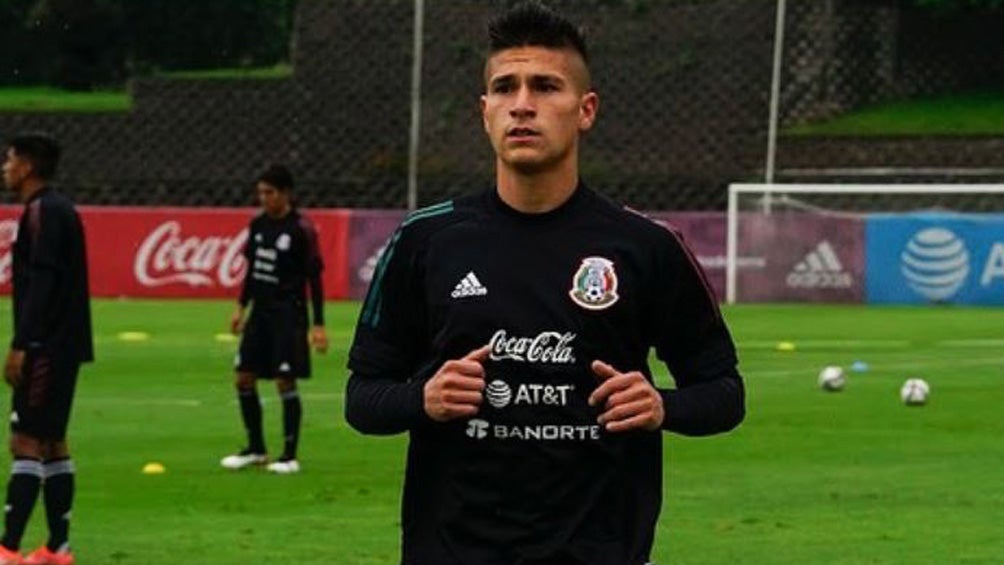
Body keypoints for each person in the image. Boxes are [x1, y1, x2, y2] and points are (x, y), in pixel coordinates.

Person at [344, 2, 746, 564]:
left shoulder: (646, 246)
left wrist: (663, 407)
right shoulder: (427, 240)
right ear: (484, 111)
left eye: (545, 87)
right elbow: (362, 398)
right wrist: (423, 397)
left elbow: (724, 393)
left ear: (585, 110)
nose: (523, 105)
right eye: (505, 88)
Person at [0, 133, 93, 565]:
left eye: (10, 159)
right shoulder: (62, 209)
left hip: (45, 344)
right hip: (67, 344)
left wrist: (22, 343)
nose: (5, 166)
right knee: (54, 441)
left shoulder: (41, 212)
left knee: (26, 440)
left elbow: (43, 282)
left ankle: (8, 547)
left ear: (29, 166)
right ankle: (58, 547)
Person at [220, 164, 328, 475]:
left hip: (288, 316)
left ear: (285, 194)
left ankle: (289, 455)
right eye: (261, 193)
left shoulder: (301, 229)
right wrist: (241, 308)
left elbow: (315, 280)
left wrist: (318, 324)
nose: (264, 199)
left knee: (284, 381)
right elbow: (252, 273)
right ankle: (256, 449)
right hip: (260, 315)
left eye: (269, 193)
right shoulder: (258, 226)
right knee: (243, 377)